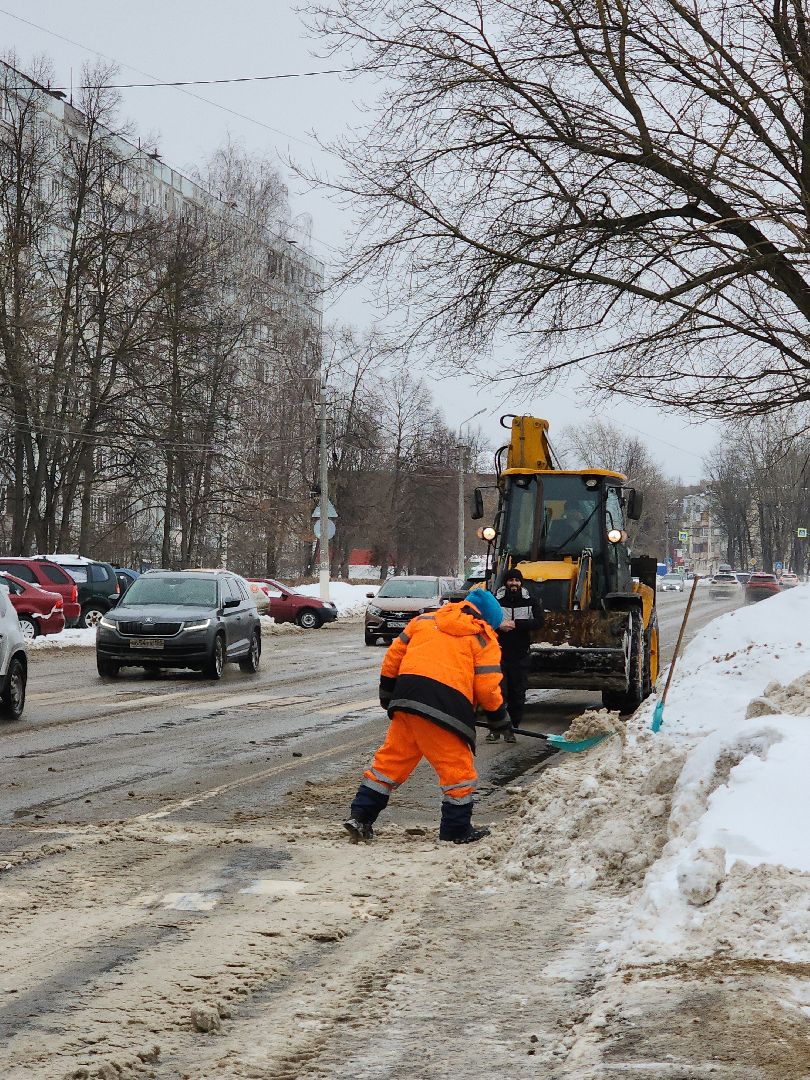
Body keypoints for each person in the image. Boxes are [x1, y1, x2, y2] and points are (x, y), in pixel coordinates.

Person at [343, 588, 509, 845]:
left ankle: (360, 816)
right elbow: (487, 688)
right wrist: (499, 719)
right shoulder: (482, 638)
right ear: (486, 620)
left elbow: (392, 660)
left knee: (389, 764)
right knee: (458, 773)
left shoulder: (423, 621)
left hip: (407, 700)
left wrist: (388, 696)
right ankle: (456, 831)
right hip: (444, 709)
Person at [487, 567, 544, 742]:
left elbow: (539, 621)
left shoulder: (530, 601)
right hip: (499, 654)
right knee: (497, 693)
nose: (514, 583)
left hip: (520, 655)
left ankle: (512, 728)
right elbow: (485, 621)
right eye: (511, 580)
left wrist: (517, 624)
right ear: (506, 582)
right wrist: (499, 625)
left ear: (521, 583)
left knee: (517, 694)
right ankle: (495, 729)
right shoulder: (495, 601)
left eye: (517, 581)